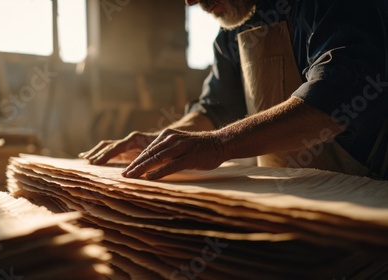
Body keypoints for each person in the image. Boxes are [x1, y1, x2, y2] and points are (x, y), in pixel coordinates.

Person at [80, 0, 388, 180]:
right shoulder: (232, 31)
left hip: (370, 199)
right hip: (294, 197)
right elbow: (214, 109)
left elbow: (340, 93)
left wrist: (218, 145)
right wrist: (161, 143)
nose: (190, 2)